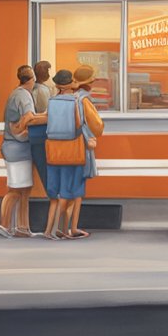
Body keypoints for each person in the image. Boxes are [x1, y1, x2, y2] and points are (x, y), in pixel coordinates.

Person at [43, 69, 104, 240]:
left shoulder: (52, 101)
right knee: (71, 191)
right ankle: (57, 229)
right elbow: (90, 126)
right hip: (73, 150)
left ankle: (53, 229)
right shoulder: (78, 101)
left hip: (54, 151)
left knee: (56, 193)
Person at [0, 65, 42, 238]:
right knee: (16, 189)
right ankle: (4, 225)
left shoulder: (15, 93)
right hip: (17, 147)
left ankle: (22, 228)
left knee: (24, 189)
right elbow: (28, 117)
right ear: (32, 79)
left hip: (15, 147)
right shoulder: (24, 96)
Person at [67, 65, 103, 239]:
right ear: (89, 83)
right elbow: (97, 126)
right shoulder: (85, 100)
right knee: (77, 189)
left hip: (66, 147)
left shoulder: (68, 97)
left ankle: (62, 226)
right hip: (82, 146)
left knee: (67, 187)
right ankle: (72, 227)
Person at [28, 60, 55, 207]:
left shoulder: (34, 89)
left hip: (33, 133)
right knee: (44, 169)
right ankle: (52, 199)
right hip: (41, 133)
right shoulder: (43, 90)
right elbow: (46, 113)